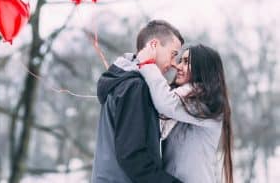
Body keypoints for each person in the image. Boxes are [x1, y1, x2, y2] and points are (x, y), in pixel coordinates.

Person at [91, 20, 185, 183]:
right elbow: (132, 155)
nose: (173, 64)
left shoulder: (123, 82)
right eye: (173, 54)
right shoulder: (134, 86)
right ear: (154, 45)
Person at [131, 43, 233, 183]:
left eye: (186, 62)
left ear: (203, 69)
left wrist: (148, 64)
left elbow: (166, 103)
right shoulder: (181, 101)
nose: (178, 66)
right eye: (180, 61)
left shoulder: (208, 104)